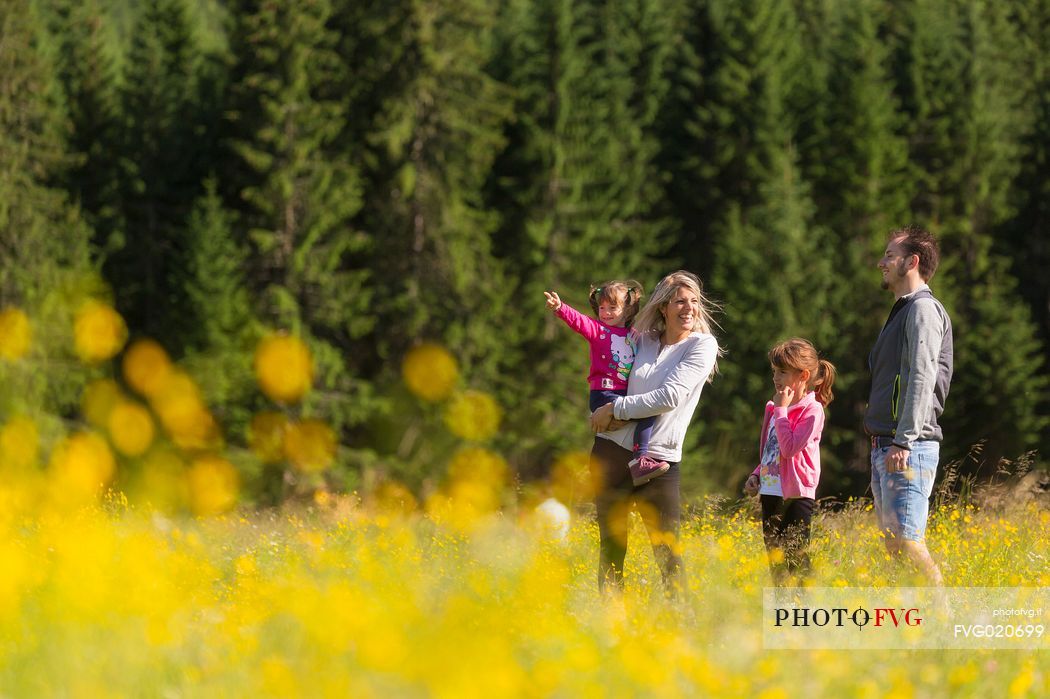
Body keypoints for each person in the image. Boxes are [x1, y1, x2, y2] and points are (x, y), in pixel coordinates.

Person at [588, 270, 720, 594]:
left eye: (693, 302)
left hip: (658, 461)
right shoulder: (643, 339)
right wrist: (598, 409)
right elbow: (608, 365)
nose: (688, 308)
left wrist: (615, 410)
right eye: (679, 301)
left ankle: (679, 626)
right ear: (663, 307)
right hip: (610, 450)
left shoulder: (702, 346)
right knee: (611, 549)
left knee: (668, 553)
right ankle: (610, 626)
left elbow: (669, 397)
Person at [865, 225, 953, 585]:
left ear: (911, 261)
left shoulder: (923, 310)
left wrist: (904, 439)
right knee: (894, 547)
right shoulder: (903, 310)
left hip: (907, 447)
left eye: (889, 255)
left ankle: (945, 620)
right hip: (888, 446)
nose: (880, 262)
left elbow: (921, 376)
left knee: (908, 542)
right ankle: (913, 625)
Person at [544, 280, 669, 486]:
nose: (606, 312)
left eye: (613, 307)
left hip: (625, 395)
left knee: (650, 411)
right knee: (638, 414)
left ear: (627, 310)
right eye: (602, 308)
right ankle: (631, 460)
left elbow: (653, 340)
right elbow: (579, 320)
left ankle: (640, 459)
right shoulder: (598, 330)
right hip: (604, 393)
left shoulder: (634, 336)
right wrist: (560, 308)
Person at [744, 338, 836, 586]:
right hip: (771, 491)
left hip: (796, 495)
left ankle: (804, 615)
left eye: (783, 372)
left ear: (803, 375)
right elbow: (770, 450)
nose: (776, 378)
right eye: (774, 371)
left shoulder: (812, 410)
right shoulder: (773, 407)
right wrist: (756, 474)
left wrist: (781, 411)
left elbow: (789, 448)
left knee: (796, 559)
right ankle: (782, 615)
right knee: (775, 561)